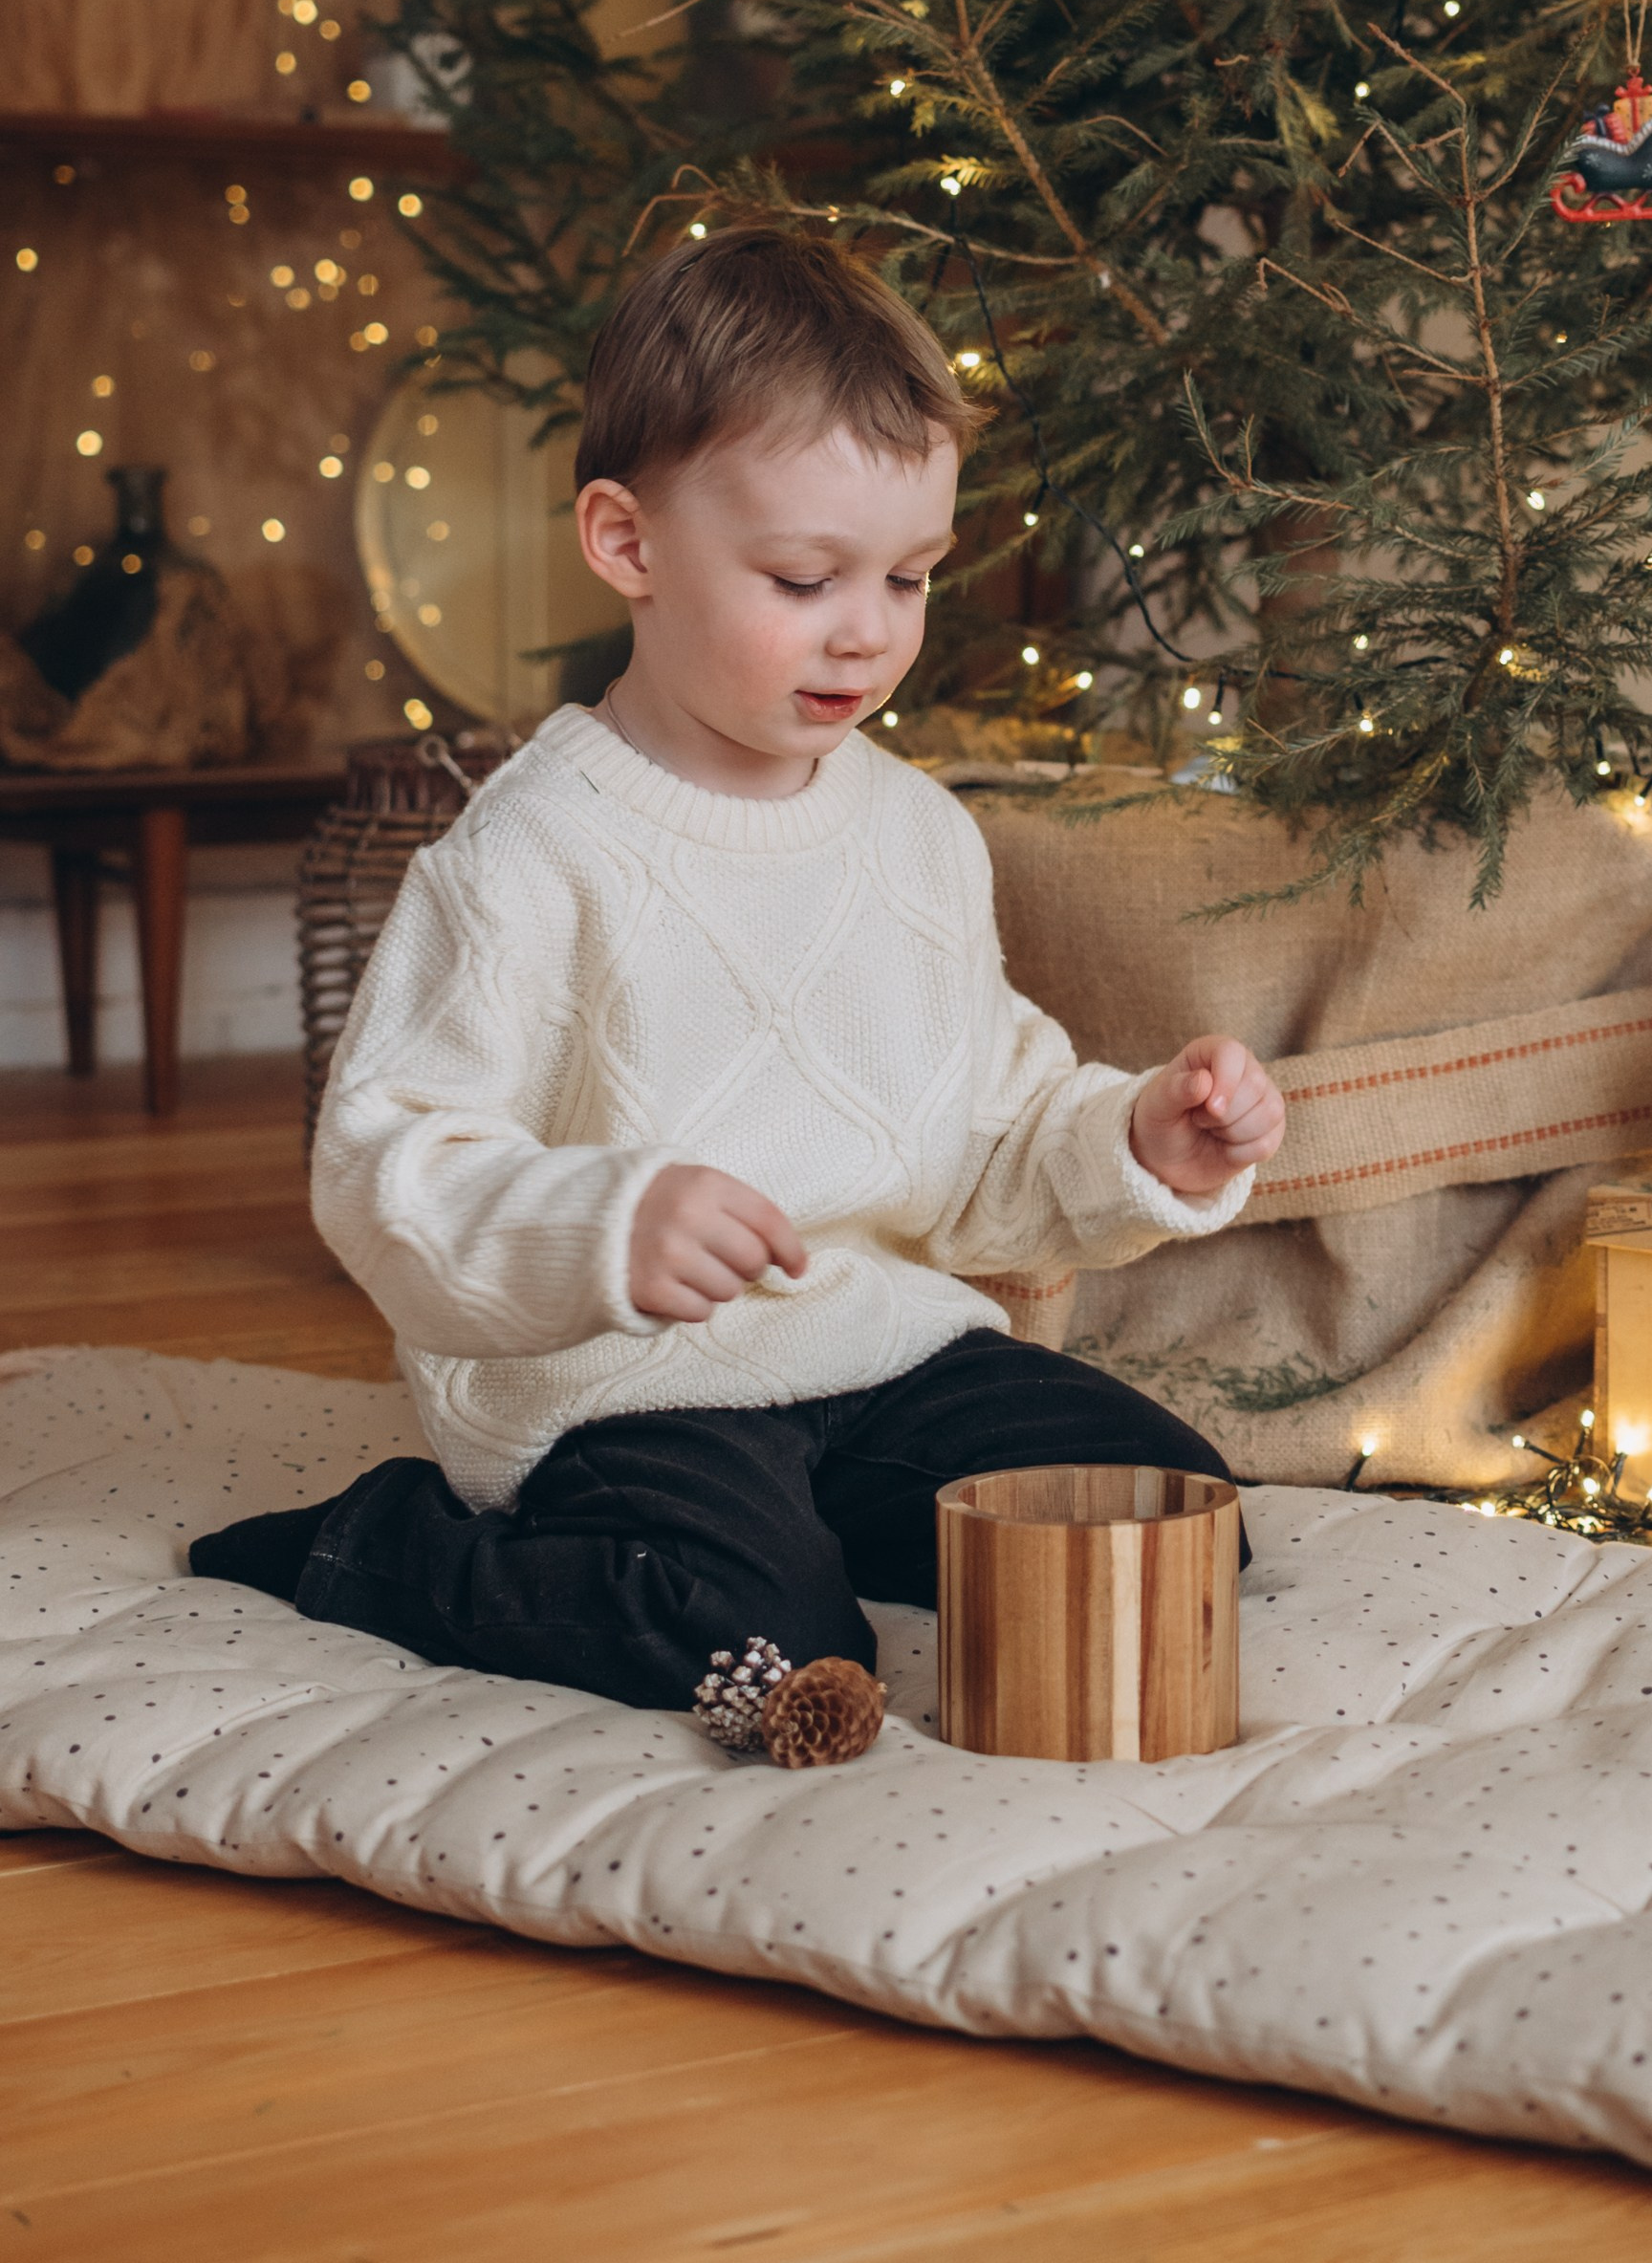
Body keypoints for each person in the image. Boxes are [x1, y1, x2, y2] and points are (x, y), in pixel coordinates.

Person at [192, 227, 1286, 1711]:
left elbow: (977, 1135)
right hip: (623, 1384)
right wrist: (604, 1225)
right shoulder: (525, 856)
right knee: (760, 1641)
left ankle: (795, 1533)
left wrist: (1134, 1135)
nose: (866, 634)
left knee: (1169, 1512)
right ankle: (387, 1546)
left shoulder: (917, 833)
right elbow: (385, 1166)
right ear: (628, 545)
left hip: (876, 1353)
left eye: (907, 579)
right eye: (800, 578)